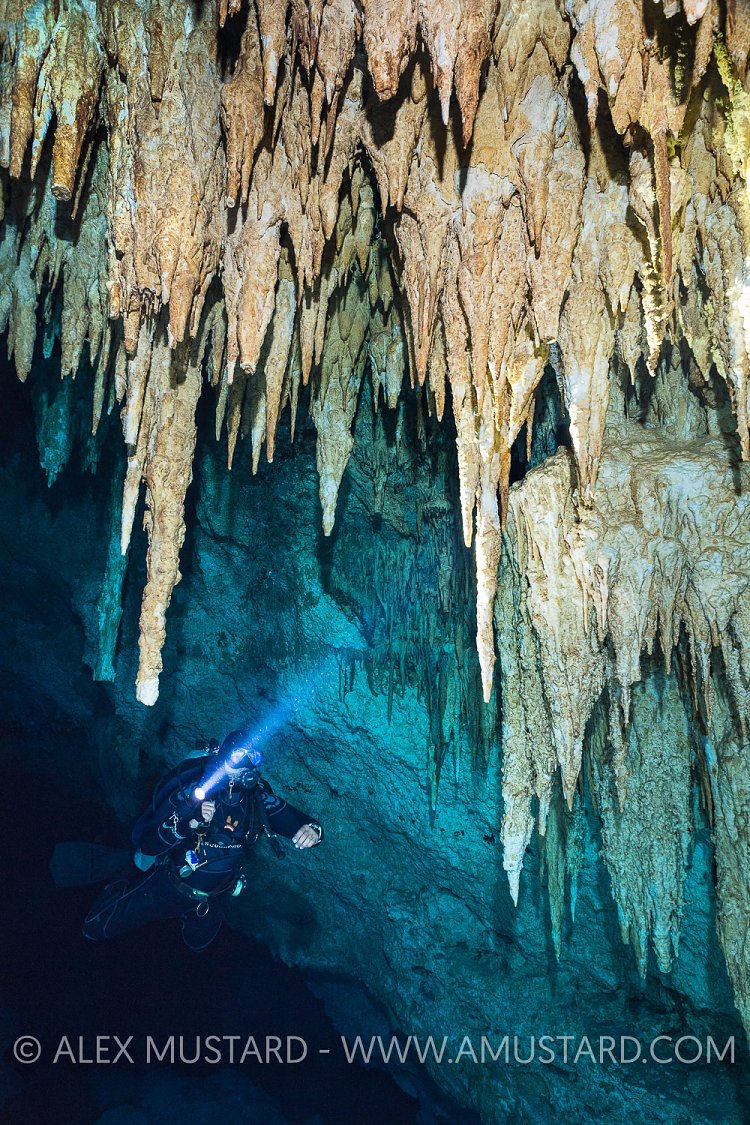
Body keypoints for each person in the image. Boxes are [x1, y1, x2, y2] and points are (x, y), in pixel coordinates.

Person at [82, 729, 323, 951]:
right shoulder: (193, 793)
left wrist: (314, 831)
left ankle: (186, 918)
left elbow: (303, 824)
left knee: (197, 945)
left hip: (216, 895)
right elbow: (149, 844)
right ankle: (123, 876)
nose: (248, 764)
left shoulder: (259, 801)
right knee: (97, 926)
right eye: (240, 756)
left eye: (254, 756)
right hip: (168, 886)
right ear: (225, 758)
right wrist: (190, 822)